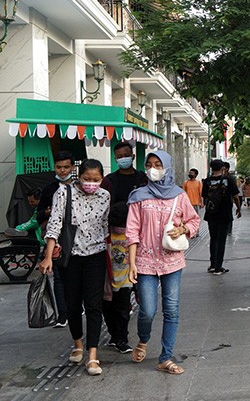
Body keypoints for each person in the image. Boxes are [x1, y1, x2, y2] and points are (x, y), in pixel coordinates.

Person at [126, 150, 200, 375]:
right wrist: (131, 264)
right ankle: (143, 339)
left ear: (167, 167)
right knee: (147, 310)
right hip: (145, 261)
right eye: (149, 165)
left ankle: (166, 357)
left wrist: (183, 229)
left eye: (158, 164)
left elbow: (194, 221)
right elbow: (132, 231)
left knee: (172, 310)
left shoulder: (179, 195)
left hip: (172, 262)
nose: (153, 169)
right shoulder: (139, 196)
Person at [38, 159, 110, 376]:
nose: (91, 184)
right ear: (79, 176)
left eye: (96, 180)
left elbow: (105, 226)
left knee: (94, 305)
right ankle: (78, 343)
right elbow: (54, 225)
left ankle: (93, 355)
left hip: (96, 255)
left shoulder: (105, 196)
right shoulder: (63, 193)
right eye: (87, 179)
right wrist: (48, 256)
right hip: (71, 256)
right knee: (73, 303)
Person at [99, 142, 147, 354]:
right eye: (119, 156)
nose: (123, 158)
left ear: (133, 156)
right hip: (114, 240)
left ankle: (122, 336)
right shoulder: (110, 181)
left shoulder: (142, 179)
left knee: (130, 294)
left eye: (126, 154)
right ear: (115, 158)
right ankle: (117, 336)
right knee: (112, 299)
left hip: (140, 239)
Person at [37, 150, 75, 328]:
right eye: (59, 167)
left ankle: (75, 307)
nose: (62, 170)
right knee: (59, 278)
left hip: (77, 241)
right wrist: (47, 212)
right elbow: (38, 214)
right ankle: (63, 315)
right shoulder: (49, 189)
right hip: (57, 241)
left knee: (75, 278)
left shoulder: (79, 188)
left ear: (72, 167)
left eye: (66, 167)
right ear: (54, 167)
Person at [202, 159, 241, 274]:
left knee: (213, 239)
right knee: (221, 240)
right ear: (223, 168)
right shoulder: (228, 180)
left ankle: (213, 264)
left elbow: (204, 197)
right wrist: (238, 208)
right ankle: (218, 267)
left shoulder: (207, 181)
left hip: (211, 214)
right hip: (224, 213)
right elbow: (235, 196)